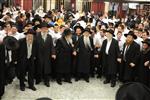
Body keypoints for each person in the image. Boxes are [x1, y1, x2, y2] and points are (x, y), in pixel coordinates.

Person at [35, 22, 56, 87]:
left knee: (47, 68)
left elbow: (51, 46)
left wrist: (53, 53)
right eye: (43, 28)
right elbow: (34, 46)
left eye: (46, 29)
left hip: (47, 54)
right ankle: (38, 79)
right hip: (39, 54)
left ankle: (46, 81)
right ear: (41, 29)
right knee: (39, 67)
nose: (44, 30)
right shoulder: (37, 35)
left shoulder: (49, 36)